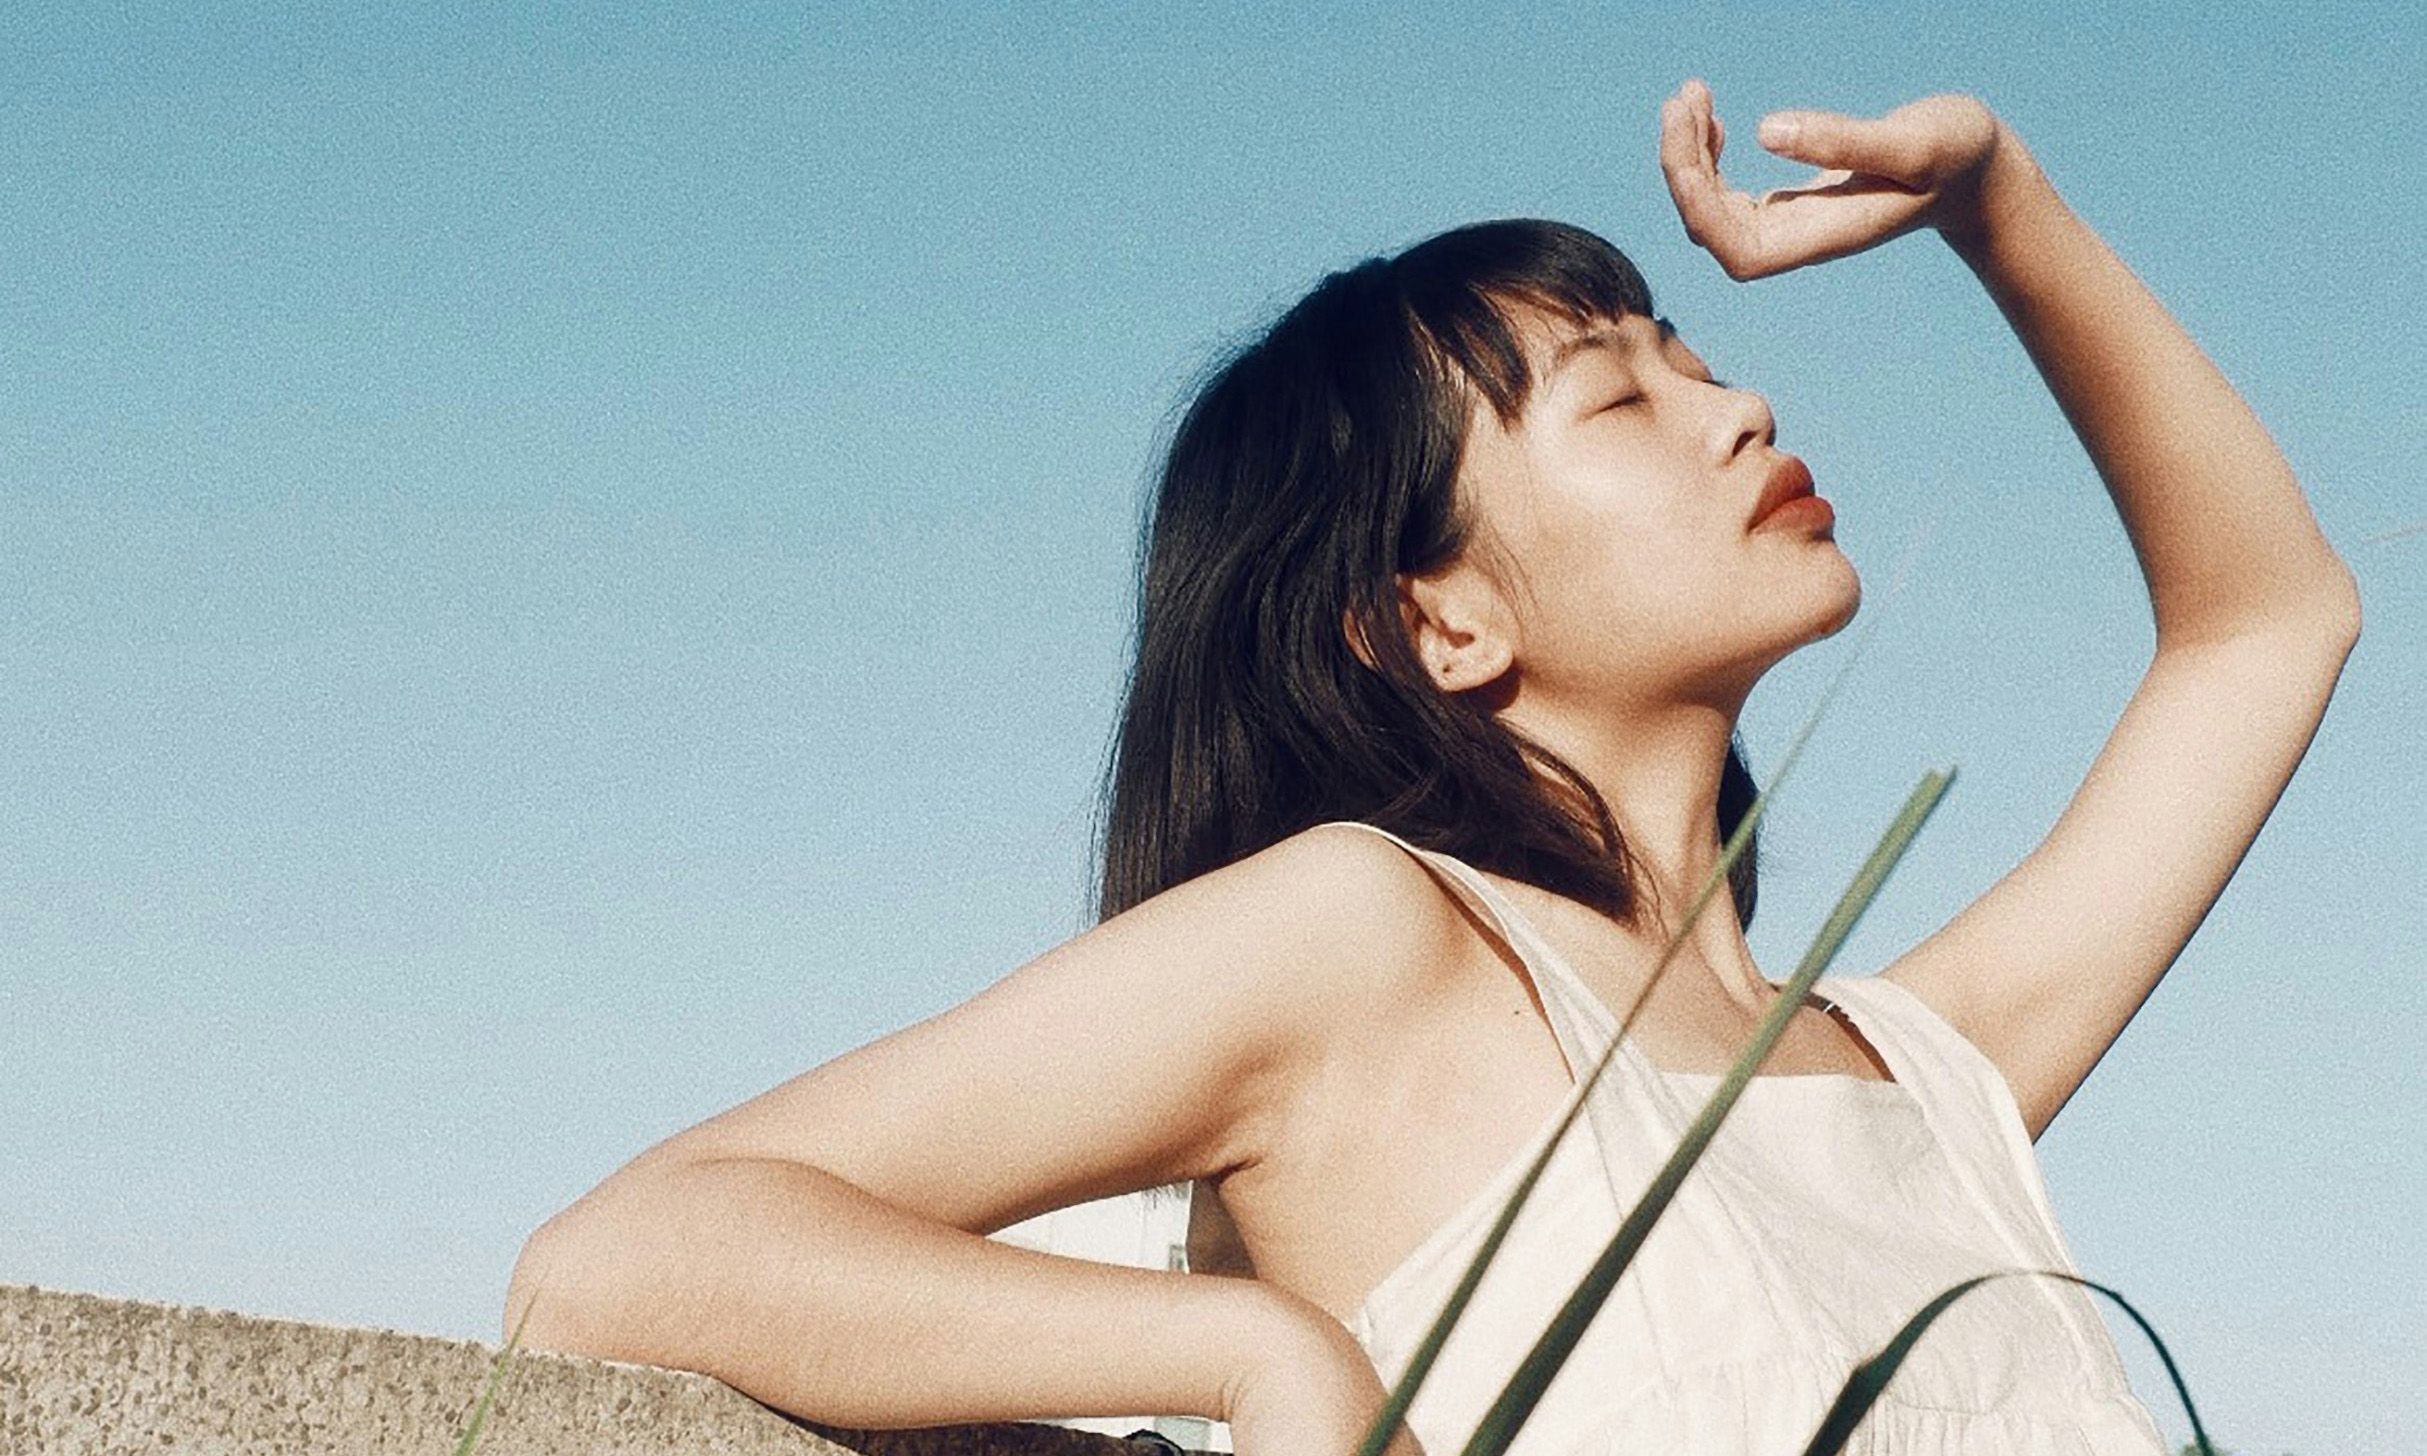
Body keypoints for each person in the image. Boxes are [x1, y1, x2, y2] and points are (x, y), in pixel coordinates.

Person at [503, 79, 2359, 1455]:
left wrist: (1996, 201)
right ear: (1440, 621)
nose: (1744, 406)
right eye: (1620, 397)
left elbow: (2275, 624)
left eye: (1690, 351)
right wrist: (1254, 1361)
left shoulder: (1931, 1066)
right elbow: (626, 1258)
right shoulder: (1377, 943)